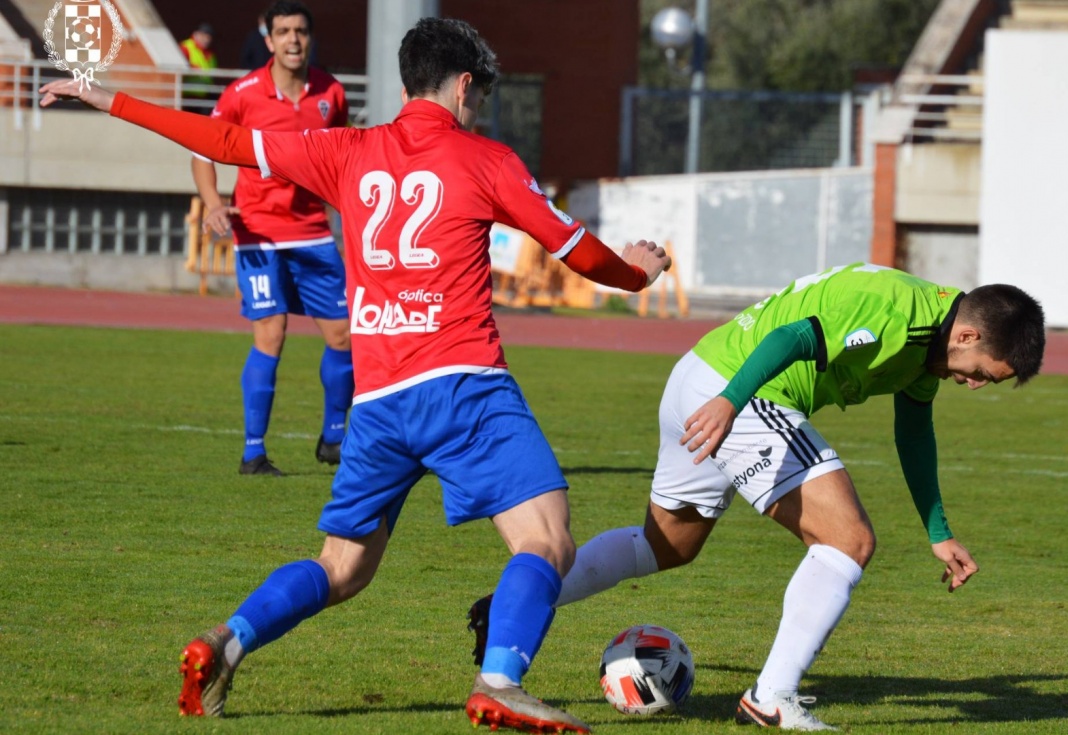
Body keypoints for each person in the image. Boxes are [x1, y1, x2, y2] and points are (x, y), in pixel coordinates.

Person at [40, 16, 670, 735]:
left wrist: (109, 98)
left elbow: (221, 141)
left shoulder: (344, 150)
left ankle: (225, 641)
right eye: (479, 95)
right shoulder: (487, 160)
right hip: (463, 382)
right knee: (548, 541)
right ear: (464, 86)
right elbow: (578, 250)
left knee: (341, 566)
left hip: (378, 400)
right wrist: (637, 272)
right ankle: (499, 679)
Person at [467, 266, 1047, 730]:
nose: (973, 384)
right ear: (967, 335)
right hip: (738, 390)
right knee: (849, 539)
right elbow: (793, 337)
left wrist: (937, 530)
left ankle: (510, 605)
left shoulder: (932, 341)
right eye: (982, 373)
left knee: (663, 547)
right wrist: (730, 401)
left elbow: (913, 431)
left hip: (699, 376)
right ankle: (771, 698)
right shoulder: (898, 311)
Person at [192, 1, 352, 476]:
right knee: (272, 332)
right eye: (283, 31)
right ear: (269, 40)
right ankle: (253, 453)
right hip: (258, 232)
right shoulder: (243, 94)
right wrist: (214, 202)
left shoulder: (332, 93)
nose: (293, 39)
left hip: (312, 233)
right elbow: (204, 151)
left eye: (300, 30)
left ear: (310, 37)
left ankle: (333, 440)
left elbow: (344, 158)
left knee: (344, 336)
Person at [179, 23, 218, 107]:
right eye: (204, 36)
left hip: (204, 96)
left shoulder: (210, 55)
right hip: (188, 96)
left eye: (209, 37)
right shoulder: (186, 47)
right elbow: (178, 66)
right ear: (196, 34)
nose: (207, 40)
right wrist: (193, 69)